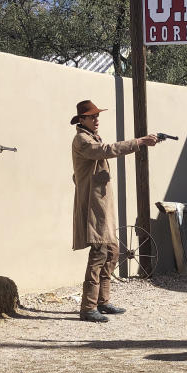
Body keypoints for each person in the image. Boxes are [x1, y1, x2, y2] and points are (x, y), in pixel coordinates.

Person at [71, 100, 160, 322]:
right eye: (92, 117)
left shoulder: (90, 137)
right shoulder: (82, 140)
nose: (96, 119)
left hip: (101, 204)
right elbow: (107, 151)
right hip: (94, 205)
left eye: (96, 116)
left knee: (112, 251)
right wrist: (139, 142)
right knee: (99, 252)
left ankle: (103, 301)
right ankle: (88, 307)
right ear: (82, 120)